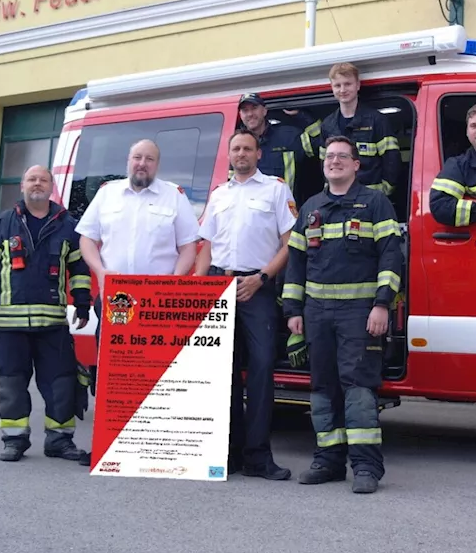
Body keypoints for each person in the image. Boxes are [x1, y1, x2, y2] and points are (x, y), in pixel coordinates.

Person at [282, 135, 404, 494]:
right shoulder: (310, 207)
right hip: (317, 314)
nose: (334, 161)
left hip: (359, 313)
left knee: (359, 389)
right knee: (322, 389)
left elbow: (390, 256)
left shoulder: (375, 203)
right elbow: (296, 263)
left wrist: (382, 303)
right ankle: (327, 460)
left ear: (356, 164)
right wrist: (293, 311)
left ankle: (366, 467)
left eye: (342, 157)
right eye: (329, 156)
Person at [0, 165, 92, 464]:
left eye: (43, 179)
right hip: (10, 325)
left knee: (62, 384)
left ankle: (60, 441)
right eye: (31, 179)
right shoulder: (0, 225)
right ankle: (14, 440)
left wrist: (83, 304)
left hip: (53, 325)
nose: (37, 183)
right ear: (22, 185)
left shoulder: (69, 227)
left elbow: (79, 270)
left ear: (52, 187)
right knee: (11, 385)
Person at [194, 129, 297, 481]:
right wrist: (196, 287)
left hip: (257, 289)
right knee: (223, 374)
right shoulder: (219, 194)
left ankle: (258, 456)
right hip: (219, 286)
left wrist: (262, 278)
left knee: (262, 371)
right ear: (229, 154)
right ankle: (229, 452)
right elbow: (206, 246)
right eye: (235, 148)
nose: (241, 154)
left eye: (247, 148)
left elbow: (289, 244)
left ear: (257, 154)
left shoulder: (275, 189)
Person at [76, 138, 200, 288]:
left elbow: (188, 246)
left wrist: (175, 280)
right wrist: (100, 271)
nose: (142, 163)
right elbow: (87, 238)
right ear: (128, 161)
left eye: (149, 159)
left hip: (158, 292)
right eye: (137, 157)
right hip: (115, 292)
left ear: (157, 165)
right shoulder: (107, 193)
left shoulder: (174, 195)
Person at [302, 62, 401, 200]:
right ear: (332, 88)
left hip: (370, 199)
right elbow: (325, 164)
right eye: (337, 85)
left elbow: (392, 160)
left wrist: (384, 192)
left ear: (358, 85)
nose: (342, 90)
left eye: (347, 84)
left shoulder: (376, 120)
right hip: (338, 200)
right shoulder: (327, 125)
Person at [236, 93, 314, 198]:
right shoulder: (236, 145)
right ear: (240, 114)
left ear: (264, 111)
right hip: (252, 211)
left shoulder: (289, 136)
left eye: (254, 108)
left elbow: (320, 146)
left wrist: (302, 116)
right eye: (245, 110)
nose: (250, 114)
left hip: (286, 208)